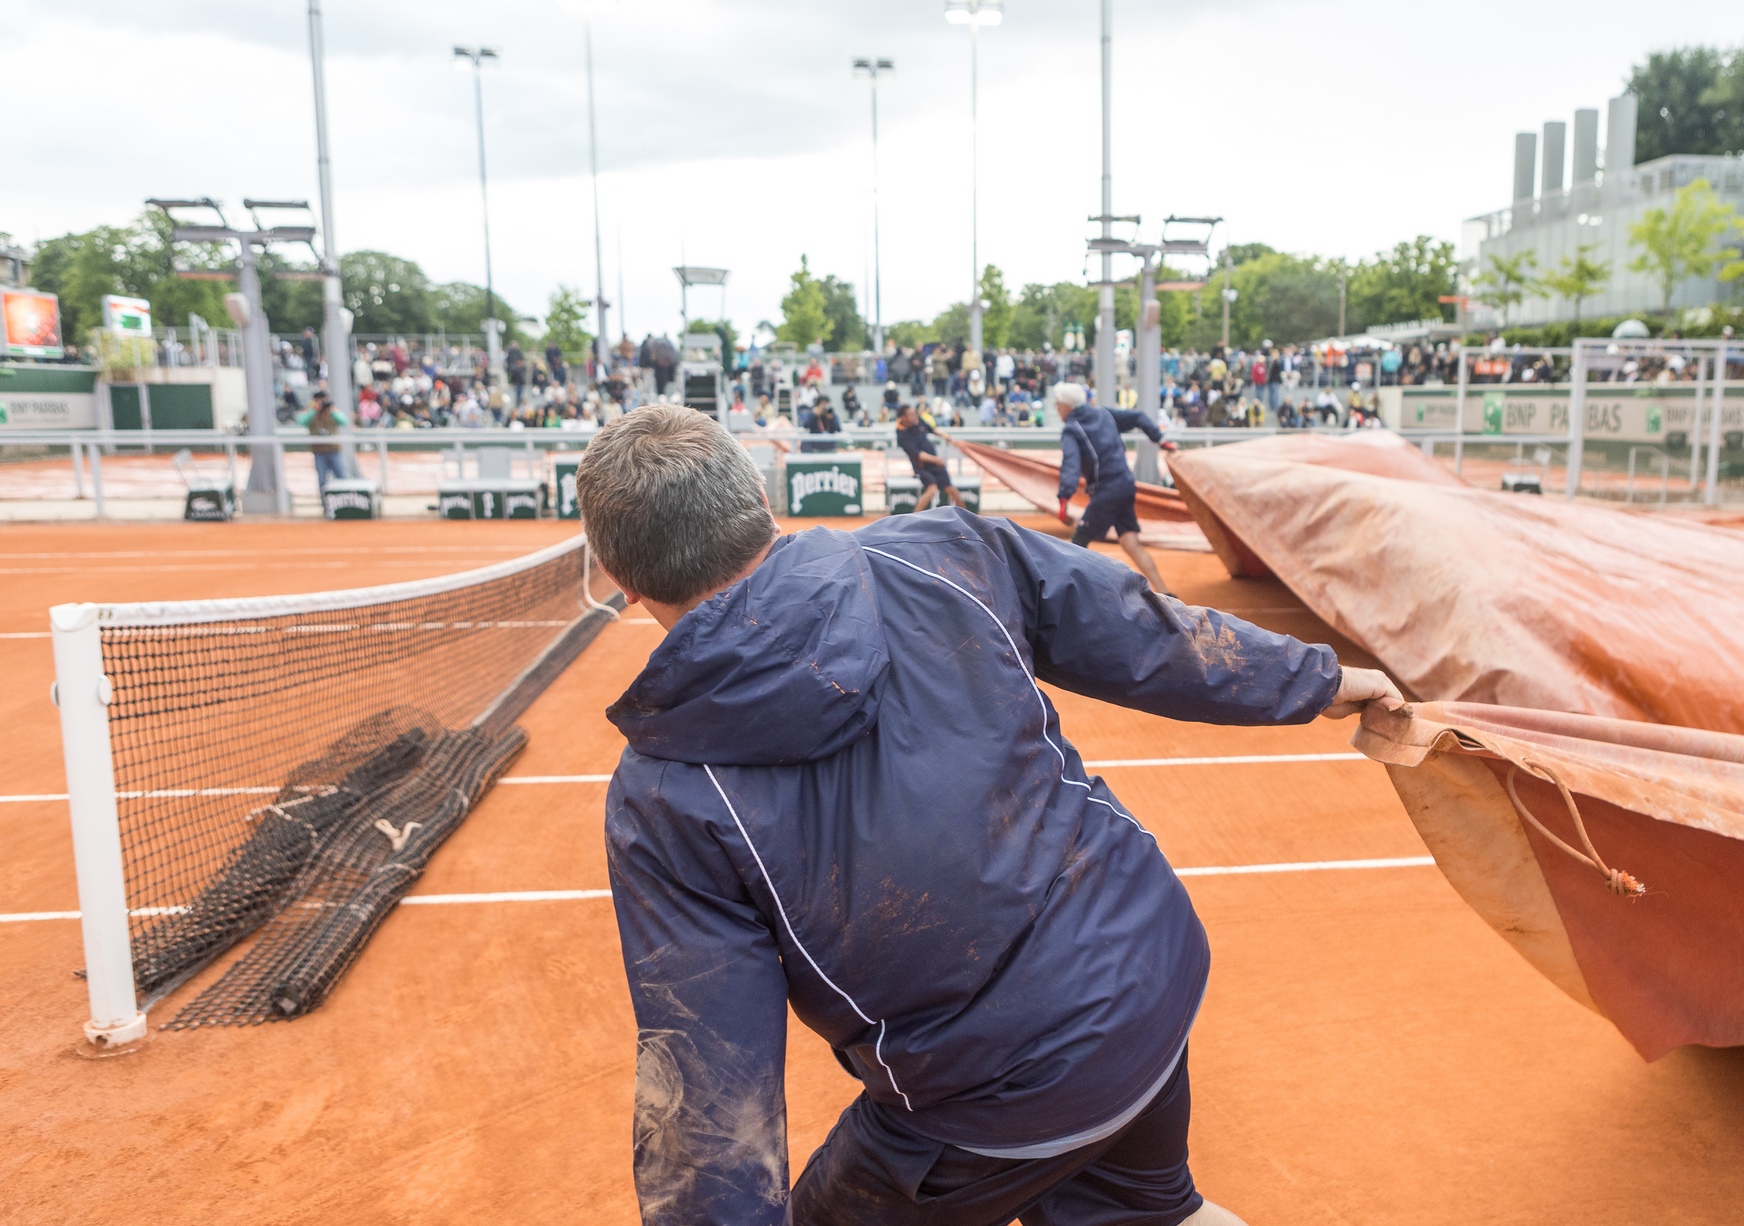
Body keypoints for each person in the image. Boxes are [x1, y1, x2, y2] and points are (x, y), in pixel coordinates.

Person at [574, 406, 1404, 1226]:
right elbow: (1142, 630)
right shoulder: (942, 551)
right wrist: (1315, 679)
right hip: (1143, 971)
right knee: (1149, 1213)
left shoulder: (664, 798)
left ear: (619, 578)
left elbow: (708, 1090)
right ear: (760, 497)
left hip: (992, 1092)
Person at [1052, 381, 1175, 596]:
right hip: (1125, 484)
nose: (1056, 409)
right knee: (1130, 541)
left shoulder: (1071, 429)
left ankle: (1076, 596)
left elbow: (1070, 465)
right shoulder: (1104, 414)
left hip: (1107, 490)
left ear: (1066, 406)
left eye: (1057, 404)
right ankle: (1166, 593)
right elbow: (1138, 417)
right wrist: (1159, 439)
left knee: (1079, 541)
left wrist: (1064, 499)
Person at [895, 399, 965, 512]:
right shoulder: (902, 436)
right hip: (922, 467)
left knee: (951, 489)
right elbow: (918, 455)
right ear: (903, 418)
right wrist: (936, 459)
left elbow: (932, 429)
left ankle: (967, 516)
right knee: (932, 489)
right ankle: (913, 518)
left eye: (914, 413)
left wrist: (946, 436)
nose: (914, 416)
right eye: (911, 415)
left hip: (935, 463)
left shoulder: (918, 421)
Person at [305, 391, 347, 491]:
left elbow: (344, 421)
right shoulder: (312, 412)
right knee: (322, 479)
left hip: (334, 450)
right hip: (319, 451)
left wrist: (332, 410)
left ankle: (344, 499)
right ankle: (324, 502)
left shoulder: (332, 411)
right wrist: (314, 410)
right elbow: (302, 421)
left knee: (341, 476)